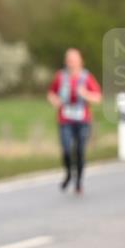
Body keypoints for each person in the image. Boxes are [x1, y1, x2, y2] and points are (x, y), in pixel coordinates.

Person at [47, 48, 102, 194]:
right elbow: (51, 93)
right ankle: (69, 173)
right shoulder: (61, 77)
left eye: (73, 60)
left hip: (83, 120)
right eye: (68, 60)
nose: (70, 63)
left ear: (80, 61)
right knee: (66, 149)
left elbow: (98, 97)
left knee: (79, 150)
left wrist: (85, 94)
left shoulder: (86, 77)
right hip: (65, 119)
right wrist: (55, 101)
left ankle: (79, 182)